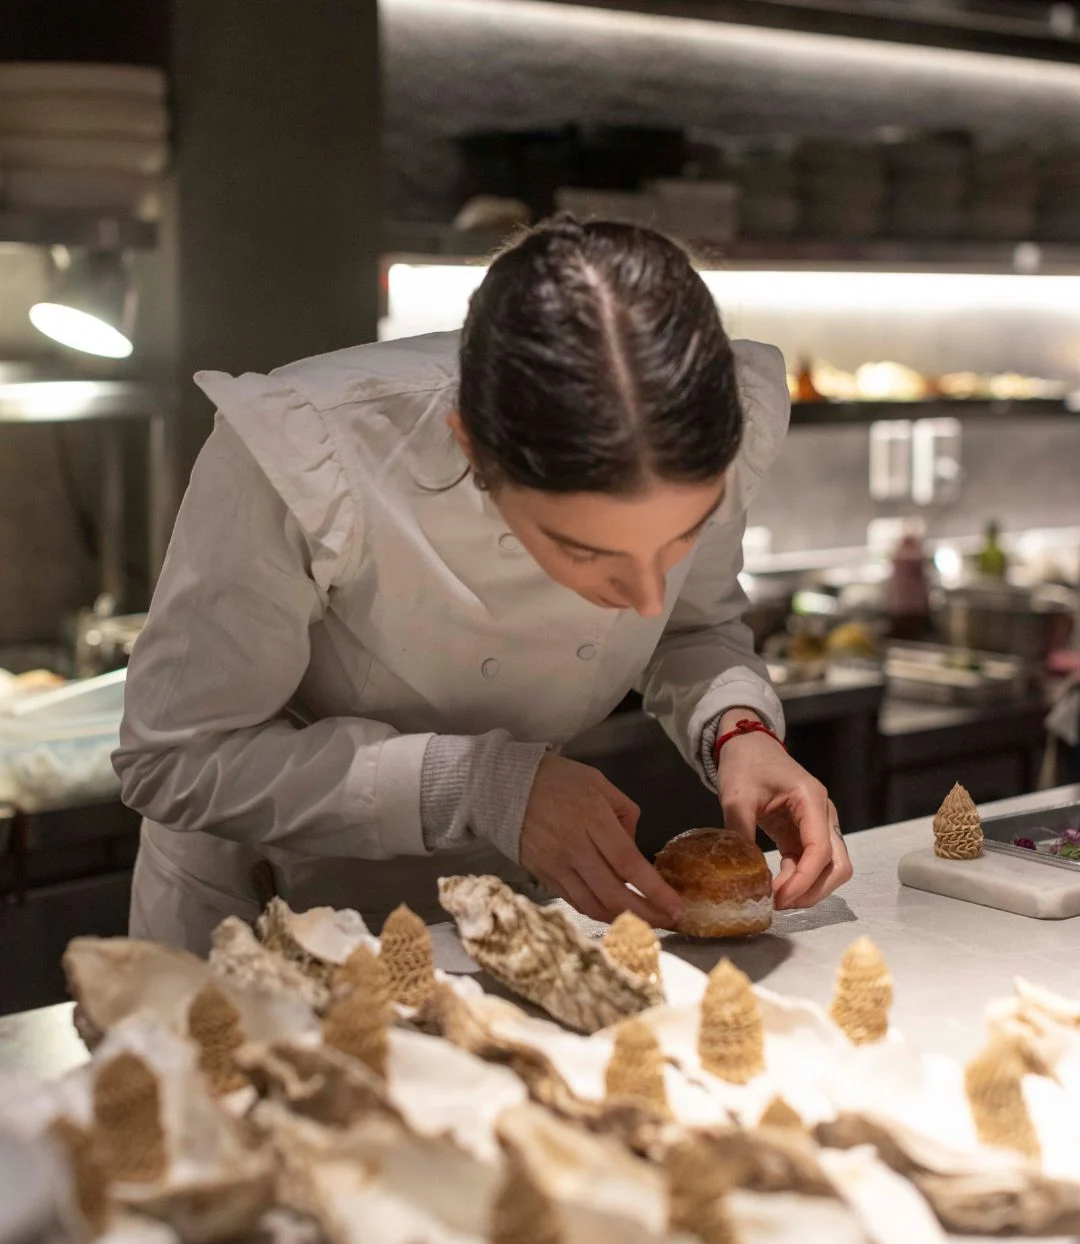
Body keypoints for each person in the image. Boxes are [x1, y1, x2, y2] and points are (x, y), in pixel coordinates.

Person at [115, 217, 852, 955]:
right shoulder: (308, 451)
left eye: (681, 538)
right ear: (471, 443)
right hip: (262, 917)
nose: (645, 599)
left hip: (500, 910)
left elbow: (690, 627)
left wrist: (737, 729)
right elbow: (175, 756)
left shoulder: (715, 421)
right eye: (584, 550)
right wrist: (479, 786)